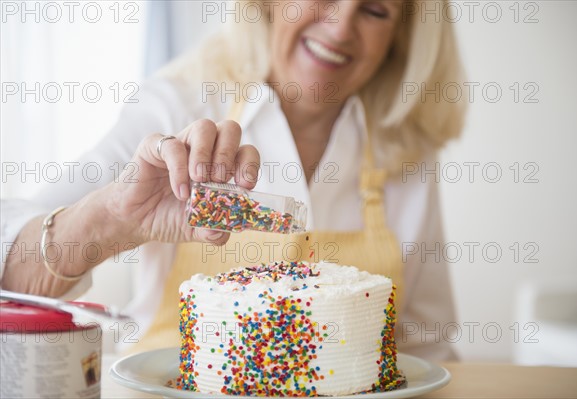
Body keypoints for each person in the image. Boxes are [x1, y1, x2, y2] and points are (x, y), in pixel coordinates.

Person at [1, 0, 465, 360]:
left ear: (400, 38)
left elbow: (426, 349)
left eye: (375, 10)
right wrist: (112, 219)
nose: (341, 26)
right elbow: (11, 268)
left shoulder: (405, 153)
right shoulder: (175, 107)